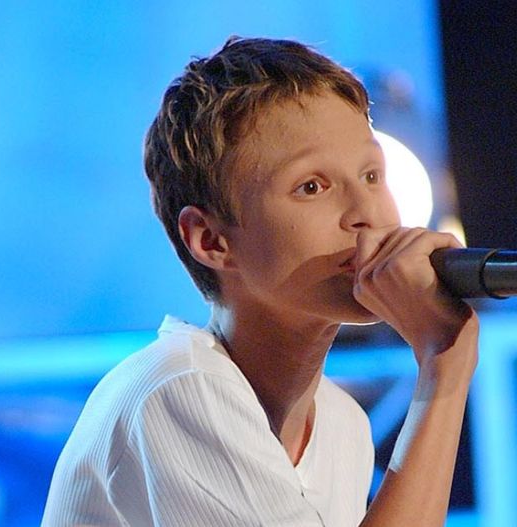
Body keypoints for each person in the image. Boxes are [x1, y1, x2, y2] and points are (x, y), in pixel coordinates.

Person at [42, 36, 479, 527]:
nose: (366, 213)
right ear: (211, 240)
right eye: (311, 186)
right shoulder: (178, 389)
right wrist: (444, 368)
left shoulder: (343, 425)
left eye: (372, 176)